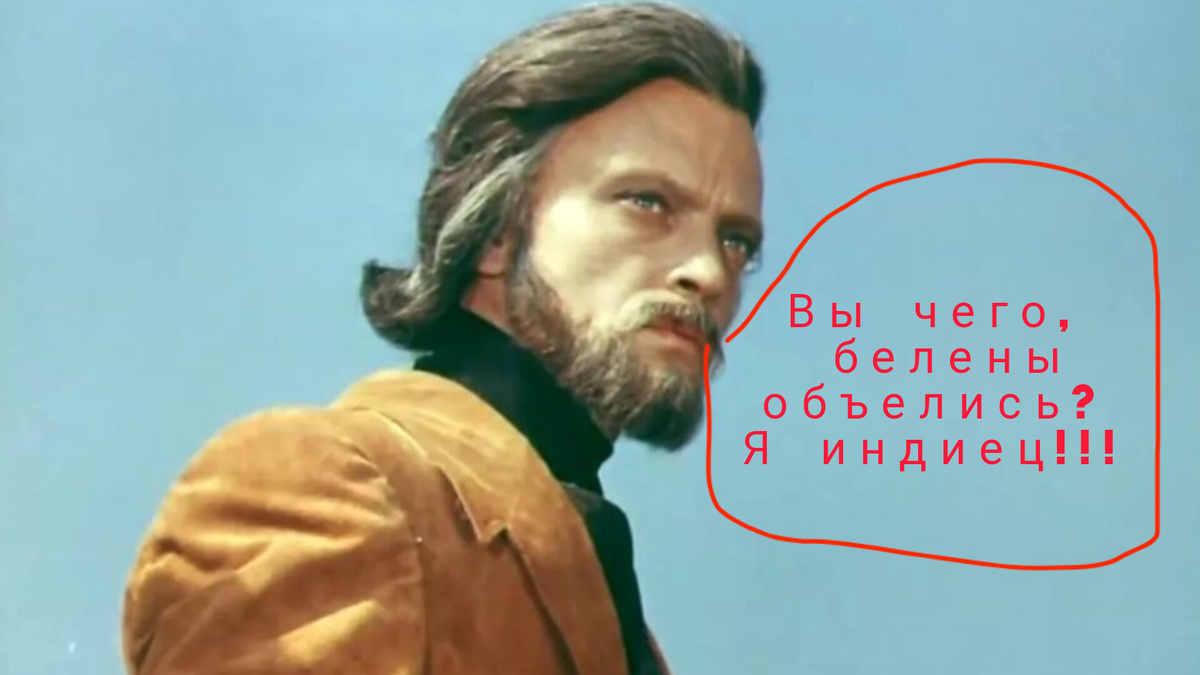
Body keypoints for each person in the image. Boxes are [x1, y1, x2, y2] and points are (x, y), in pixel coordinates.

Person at [120, 2, 766, 674]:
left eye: (736, 240)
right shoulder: (332, 484)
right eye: (648, 203)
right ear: (496, 231)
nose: (708, 272)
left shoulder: (589, 559)